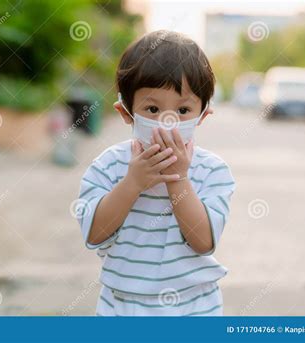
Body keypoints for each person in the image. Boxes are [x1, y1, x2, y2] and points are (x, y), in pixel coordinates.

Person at [75, 30, 236, 316]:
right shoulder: (108, 165)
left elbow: (203, 243)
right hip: (122, 308)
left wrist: (179, 180)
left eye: (183, 109)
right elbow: (95, 235)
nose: (168, 122)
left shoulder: (213, 172)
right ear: (126, 113)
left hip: (194, 308)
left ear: (202, 116)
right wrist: (132, 183)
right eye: (152, 108)